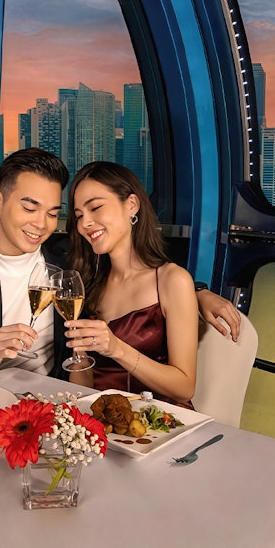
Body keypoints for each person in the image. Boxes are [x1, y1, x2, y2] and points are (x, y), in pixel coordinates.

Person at [0, 148, 240, 381]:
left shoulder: (71, 257)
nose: (41, 224)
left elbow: (136, 271)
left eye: (53, 213)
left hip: (58, 404)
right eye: (30, 207)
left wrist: (197, 294)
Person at [61, 161, 197, 406]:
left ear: (131, 205)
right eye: (79, 215)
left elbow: (185, 388)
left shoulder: (172, 280)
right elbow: (82, 382)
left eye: (96, 208)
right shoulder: (88, 283)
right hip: (100, 423)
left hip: (160, 424)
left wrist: (116, 348)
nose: (85, 223)